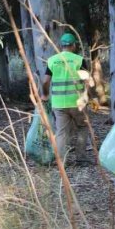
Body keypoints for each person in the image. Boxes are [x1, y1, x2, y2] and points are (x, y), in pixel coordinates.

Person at [41, 32, 93, 164]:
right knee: (82, 127)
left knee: (61, 132)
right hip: (77, 102)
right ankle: (81, 158)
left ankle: (59, 161)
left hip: (58, 103)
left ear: (61, 45)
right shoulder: (78, 60)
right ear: (74, 45)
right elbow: (87, 80)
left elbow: (45, 81)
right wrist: (87, 96)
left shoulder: (52, 60)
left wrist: (45, 94)